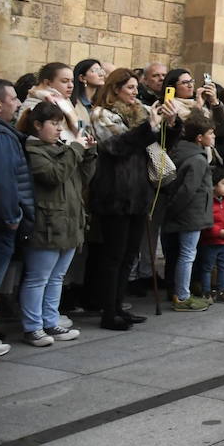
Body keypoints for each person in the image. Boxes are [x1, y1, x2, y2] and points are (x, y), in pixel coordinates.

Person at [88, 71, 177, 331]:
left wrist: (170, 124)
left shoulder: (142, 112)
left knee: (129, 254)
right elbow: (116, 146)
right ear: (115, 89)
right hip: (115, 192)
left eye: (136, 87)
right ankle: (108, 310)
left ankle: (119, 306)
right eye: (129, 87)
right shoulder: (102, 114)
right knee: (113, 255)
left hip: (139, 192)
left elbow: (161, 145)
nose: (135, 92)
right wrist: (148, 128)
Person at [21, 101, 95, 344]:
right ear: (37, 125)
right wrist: (74, 148)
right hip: (47, 224)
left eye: (59, 124)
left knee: (56, 278)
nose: (58, 129)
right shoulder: (33, 152)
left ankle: (50, 322)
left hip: (70, 222)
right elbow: (55, 176)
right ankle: (32, 327)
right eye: (53, 124)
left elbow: (82, 179)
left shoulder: (63, 149)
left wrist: (89, 154)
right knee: (37, 278)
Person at [0, 78, 31, 358]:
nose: (17, 104)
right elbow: (3, 182)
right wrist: (13, 217)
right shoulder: (0, 136)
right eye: (14, 99)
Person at [157, 111, 216, 312]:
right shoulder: (197, 159)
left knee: (176, 253)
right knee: (187, 254)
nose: (213, 136)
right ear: (199, 137)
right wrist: (174, 209)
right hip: (190, 213)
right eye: (210, 133)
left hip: (178, 212)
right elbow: (188, 190)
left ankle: (174, 290)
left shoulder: (178, 150)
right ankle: (182, 296)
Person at [197, 165, 224, 303]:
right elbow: (205, 220)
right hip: (210, 241)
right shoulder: (207, 201)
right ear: (213, 185)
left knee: (223, 266)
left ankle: (223, 289)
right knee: (207, 267)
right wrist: (218, 232)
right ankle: (206, 291)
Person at [18, 62, 85, 143]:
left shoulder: (64, 101)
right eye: (64, 81)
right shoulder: (33, 103)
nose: (71, 85)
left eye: (72, 81)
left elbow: (83, 130)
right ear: (47, 83)